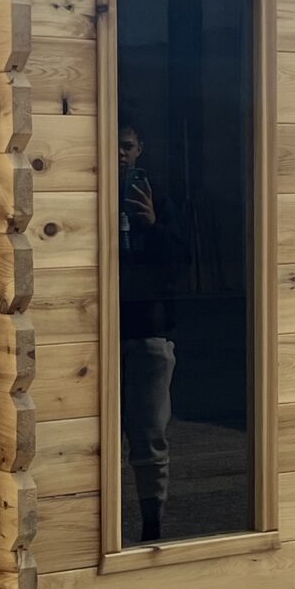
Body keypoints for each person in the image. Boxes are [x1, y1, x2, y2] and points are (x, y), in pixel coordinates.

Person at [114, 120, 178, 545]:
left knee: (150, 437)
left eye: (127, 146)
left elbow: (181, 262)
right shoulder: (84, 194)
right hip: (94, 331)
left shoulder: (155, 196)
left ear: (140, 150)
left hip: (146, 329)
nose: (120, 154)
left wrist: (153, 224)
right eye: (113, 146)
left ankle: (152, 524)